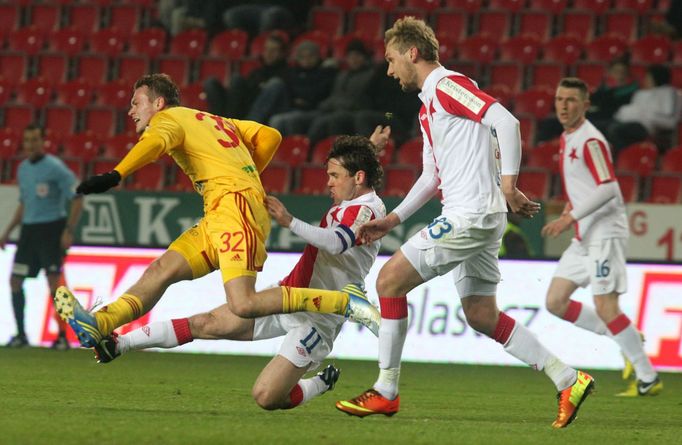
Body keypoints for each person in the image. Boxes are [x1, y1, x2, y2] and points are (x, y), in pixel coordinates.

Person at [334, 17, 593, 429]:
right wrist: (393, 219)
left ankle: (386, 390)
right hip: (473, 216)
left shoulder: (445, 85)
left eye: (391, 59)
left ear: (412, 53)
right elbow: (431, 177)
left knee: (388, 282)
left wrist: (509, 187)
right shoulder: (427, 109)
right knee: (480, 313)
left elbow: (506, 122)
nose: (388, 69)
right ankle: (568, 378)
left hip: (470, 215)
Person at [54, 73, 379, 355]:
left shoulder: (168, 120)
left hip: (234, 207)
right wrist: (245, 175)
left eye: (137, 102)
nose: (131, 111)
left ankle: (344, 303)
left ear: (159, 104)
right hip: (223, 210)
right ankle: (99, 323)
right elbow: (270, 137)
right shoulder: (213, 121)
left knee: (243, 304)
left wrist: (116, 174)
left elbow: (153, 145)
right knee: (162, 270)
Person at [92, 133, 388, 411]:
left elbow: (337, 243)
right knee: (206, 323)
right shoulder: (354, 199)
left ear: (358, 178)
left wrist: (289, 221)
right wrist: (369, 149)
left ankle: (319, 383)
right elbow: (355, 175)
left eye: (334, 176)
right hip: (289, 294)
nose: (328, 183)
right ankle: (120, 344)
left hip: (319, 316)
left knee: (267, 397)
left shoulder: (368, 210)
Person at [541, 77, 663, 397]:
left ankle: (648, 377)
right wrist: (574, 207)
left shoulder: (590, 140)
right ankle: (626, 336)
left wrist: (570, 216)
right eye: (559, 99)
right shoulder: (567, 138)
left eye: (571, 100)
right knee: (555, 301)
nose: (564, 106)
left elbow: (609, 187)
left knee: (606, 305)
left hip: (604, 232)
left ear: (585, 105)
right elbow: (588, 186)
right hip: (586, 233)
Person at [0, 124, 83, 350]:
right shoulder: (23, 169)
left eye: (35, 140)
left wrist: (68, 230)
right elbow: (24, 203)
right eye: (27, 140)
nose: (31, 144)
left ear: (42, 141)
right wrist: (7, 231)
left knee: (54, 284)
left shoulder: (55, 168)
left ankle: (63, 337)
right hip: (29, 231)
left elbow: (77, 197)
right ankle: (20, 335)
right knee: (15, 281)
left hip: (51, 229)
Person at [535, 59, 638, 144]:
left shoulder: (631, 93)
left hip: (608, 121)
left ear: (627, 74)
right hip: (589, 118)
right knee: (552, 121)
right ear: (609, 73)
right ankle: (542, 149)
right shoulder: (603, 89)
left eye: (622, 72)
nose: (619, 76)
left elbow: (613, 110)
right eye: (615, 72)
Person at [204, 33, 289, 120]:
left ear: (282, 53)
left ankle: (234, 125)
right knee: (214, 82)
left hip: (260, 117)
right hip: (244, 110)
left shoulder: (287, 73)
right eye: (266, 49)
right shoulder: (257, 72)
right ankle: (222, 122)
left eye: (273, 50)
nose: (268, 53)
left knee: (275, 83)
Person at [608, 64, 681, 152]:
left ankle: (627, 156)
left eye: (648, 77)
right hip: (628, 121)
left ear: (656, 78)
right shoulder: (640, 93)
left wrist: (643, 115)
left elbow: (667, 117)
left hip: (645, 126)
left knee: (614, 130)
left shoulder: (668, 92)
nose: (645, 80)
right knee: (601, 126)